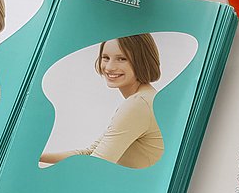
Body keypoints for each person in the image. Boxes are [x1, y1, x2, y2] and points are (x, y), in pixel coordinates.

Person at [41, 34, 164, 169]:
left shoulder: (138, 104)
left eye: (122, 59)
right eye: (105, 58)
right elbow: (90, 153)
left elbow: (95, 166)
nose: (110, 67)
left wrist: (35, 167)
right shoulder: (145, 98)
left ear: (142, 60)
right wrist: (37, 158)